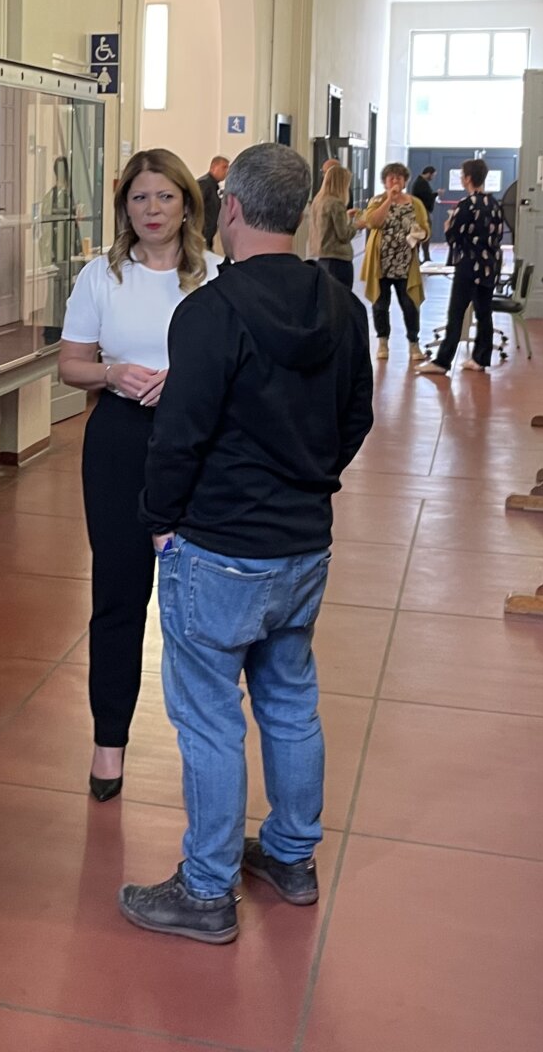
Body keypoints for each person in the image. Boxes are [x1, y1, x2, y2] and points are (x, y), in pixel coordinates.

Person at [117, 144, 375, 944]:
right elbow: (357, 418)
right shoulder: (343, 309)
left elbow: (180, 436)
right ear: (300, 212)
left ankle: (206, 889)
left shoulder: (210, 313)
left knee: (209, 720)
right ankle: (292, 859)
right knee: (289, 701)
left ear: (229, 208)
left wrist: (159, 518)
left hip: (219, 548)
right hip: (303, 547)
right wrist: (309, 481)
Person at [57, 150, 220, 803]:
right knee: (118, 593)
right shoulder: (102, 276)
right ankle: (108, 742)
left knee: (199, 600)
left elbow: (235, 367)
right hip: (119, 440)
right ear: (124, 206)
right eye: (139, 198)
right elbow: (71, 364)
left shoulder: (214, 275)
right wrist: (112, 373)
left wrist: (187, 381)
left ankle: (204, 743)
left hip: (196, 442)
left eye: (165, 197)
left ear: (187, 203)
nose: (152, 210)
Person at [419, 157, 508, 377]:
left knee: (456, 313)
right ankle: (480, 358)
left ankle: (442, 361)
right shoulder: (494, 204)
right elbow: (498, 233)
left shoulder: (467, 204)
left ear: (467, 178)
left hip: (469, 265)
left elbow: (454, 237)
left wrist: (448, 226)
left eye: (462, 175)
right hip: (489, 265)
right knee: (484, 312)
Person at [359, 162, 430, 362]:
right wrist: (389, 199)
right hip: (381, 263)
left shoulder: (415, 203)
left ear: (405, 181)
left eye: (399, 177)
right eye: (391, 178)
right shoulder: (377, 200)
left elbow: (425, 228)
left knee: (410, 305)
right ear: (385, 182)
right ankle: (383, 342)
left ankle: (414, 344)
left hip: (405, 264)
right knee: (380, 305)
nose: (395, 181)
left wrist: (421, 234)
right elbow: (372, 222)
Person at [310, 162, 357, 290]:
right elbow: (344, 235)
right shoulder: (336, 203)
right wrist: (357, 225)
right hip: (338, 259)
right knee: (342, 297)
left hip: (322, 257)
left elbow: (328, 226)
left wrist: (346, 217)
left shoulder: (318, 200)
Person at [199, 155, 229, 250]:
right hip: (200, 236)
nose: (227, 171)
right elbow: (195, 206)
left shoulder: (214, 186)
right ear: (213, 167)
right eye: (224, 167)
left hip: (208, 236)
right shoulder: (204, 184)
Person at [410, 166, 439, 264]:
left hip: (421, 211)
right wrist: (436, 194)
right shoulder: (421, 183)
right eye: (433, 175)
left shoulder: (421, 183)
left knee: (423, 233)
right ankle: (421, 257)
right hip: (421, 211)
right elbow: (426, 197)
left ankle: (424, 256)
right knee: (422, 233)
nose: (433, 178)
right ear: (429, 173)